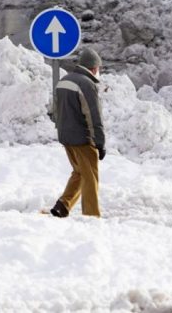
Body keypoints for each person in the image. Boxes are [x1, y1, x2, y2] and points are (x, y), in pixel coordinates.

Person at [49, 48, 106, 218]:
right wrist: (100, 142)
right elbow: (93, 116)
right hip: (83, 138)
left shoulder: (63, 81)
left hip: (66, 136)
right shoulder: (86, 84)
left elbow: (56, 111)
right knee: (90, 177)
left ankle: (63, 205)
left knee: (79, 172)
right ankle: (91, 215)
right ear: (94, 68)